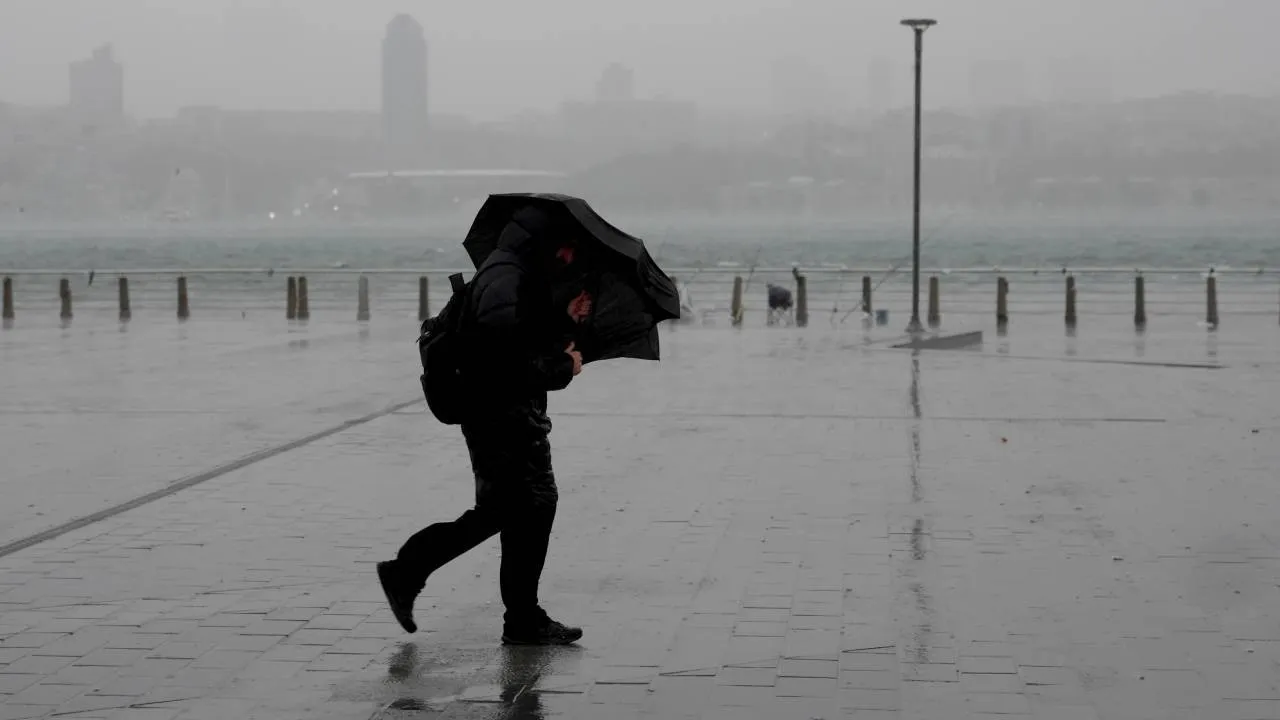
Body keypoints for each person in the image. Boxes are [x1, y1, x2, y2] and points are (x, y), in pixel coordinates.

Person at [377, 206, 593, 646]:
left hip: (503, 413)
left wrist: (566, 317)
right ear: (546, 242)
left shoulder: (513, 272)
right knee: (524, 506)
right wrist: (561, 367)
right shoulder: (507, 275)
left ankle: (520, 618)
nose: (571, 256)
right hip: (500, 416)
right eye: (567, 247)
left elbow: (515, 336)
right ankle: (408, 571)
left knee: (518, 510)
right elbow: (500, 358)